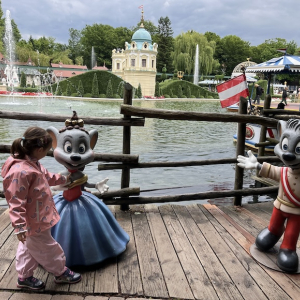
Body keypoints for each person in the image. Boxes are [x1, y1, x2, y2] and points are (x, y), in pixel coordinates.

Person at [1, 127, 81, 290]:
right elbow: (15, 202)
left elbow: (46, 176)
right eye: (48, 150)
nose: (48, 153)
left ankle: (24, 277)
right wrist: (19, 226)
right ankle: (61, 272)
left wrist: (63, 179)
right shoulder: (20, 172)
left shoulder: (32, 162)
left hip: (38, 217)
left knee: (28, 247)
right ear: (38, 149)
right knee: (48, 248)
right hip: (33, 221)